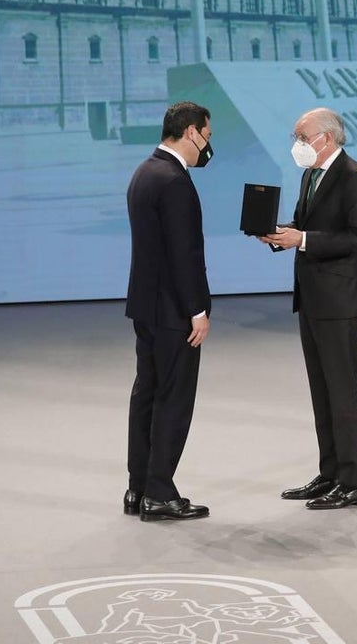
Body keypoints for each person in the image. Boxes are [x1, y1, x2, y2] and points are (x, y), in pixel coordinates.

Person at [262, 108, 357, 510]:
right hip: (311, 298)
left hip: (340, 301)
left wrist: (303, 239)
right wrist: (279, 236)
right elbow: (302, 224)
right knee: (321, 391)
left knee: (343, 393)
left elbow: (356, 239)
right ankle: (330, 474)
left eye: (301, 136)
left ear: (326, 138)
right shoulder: (312, 174)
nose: (297, 144)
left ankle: (353, 482)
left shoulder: (355, 177)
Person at [124, 101, 214, 522]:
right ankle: (159, 493)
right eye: (207, 137)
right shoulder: (175, 180)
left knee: (146, 394)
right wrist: (197, 309)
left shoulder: (145, 171)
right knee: (173, 400)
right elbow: (184, 254)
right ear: (191, 131)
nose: (207, 146)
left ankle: (138, 487)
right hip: (174, 310)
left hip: (145, 305)